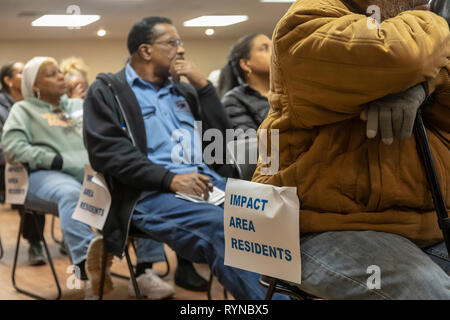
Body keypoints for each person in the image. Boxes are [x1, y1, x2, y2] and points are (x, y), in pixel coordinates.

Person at [252, 0, 450, 299]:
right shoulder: (305, 22)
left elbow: (415, 61)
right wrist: (433, 23)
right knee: (425, 292)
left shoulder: (413, 38)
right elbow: (406, 55)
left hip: (420, 223)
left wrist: (424, 87)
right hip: (310, 225)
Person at [83, 16, 283, 300]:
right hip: (149, 193)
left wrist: (204, 87)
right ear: (146, 51)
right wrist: (171, 179)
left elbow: (223, 142)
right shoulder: (107, 91)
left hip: (206, 183)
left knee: (277, 208)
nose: (180, 49)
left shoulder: (184, 90)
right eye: (172, 42)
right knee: (226, 225)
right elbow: (108, 153)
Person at [0, 61, 48, 266]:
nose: (25, 73)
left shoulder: (36, 101)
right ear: (8, 80)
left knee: (34, 197)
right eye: (20, 72)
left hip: (30, 161)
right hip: (4, 162)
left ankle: (35, 243)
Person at [218, 33, 272, 131]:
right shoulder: (234, 101)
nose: (274, 51)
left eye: (274, 46)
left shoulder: (289, 92)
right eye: (264, 48)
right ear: (245, 64)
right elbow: (248, 144)